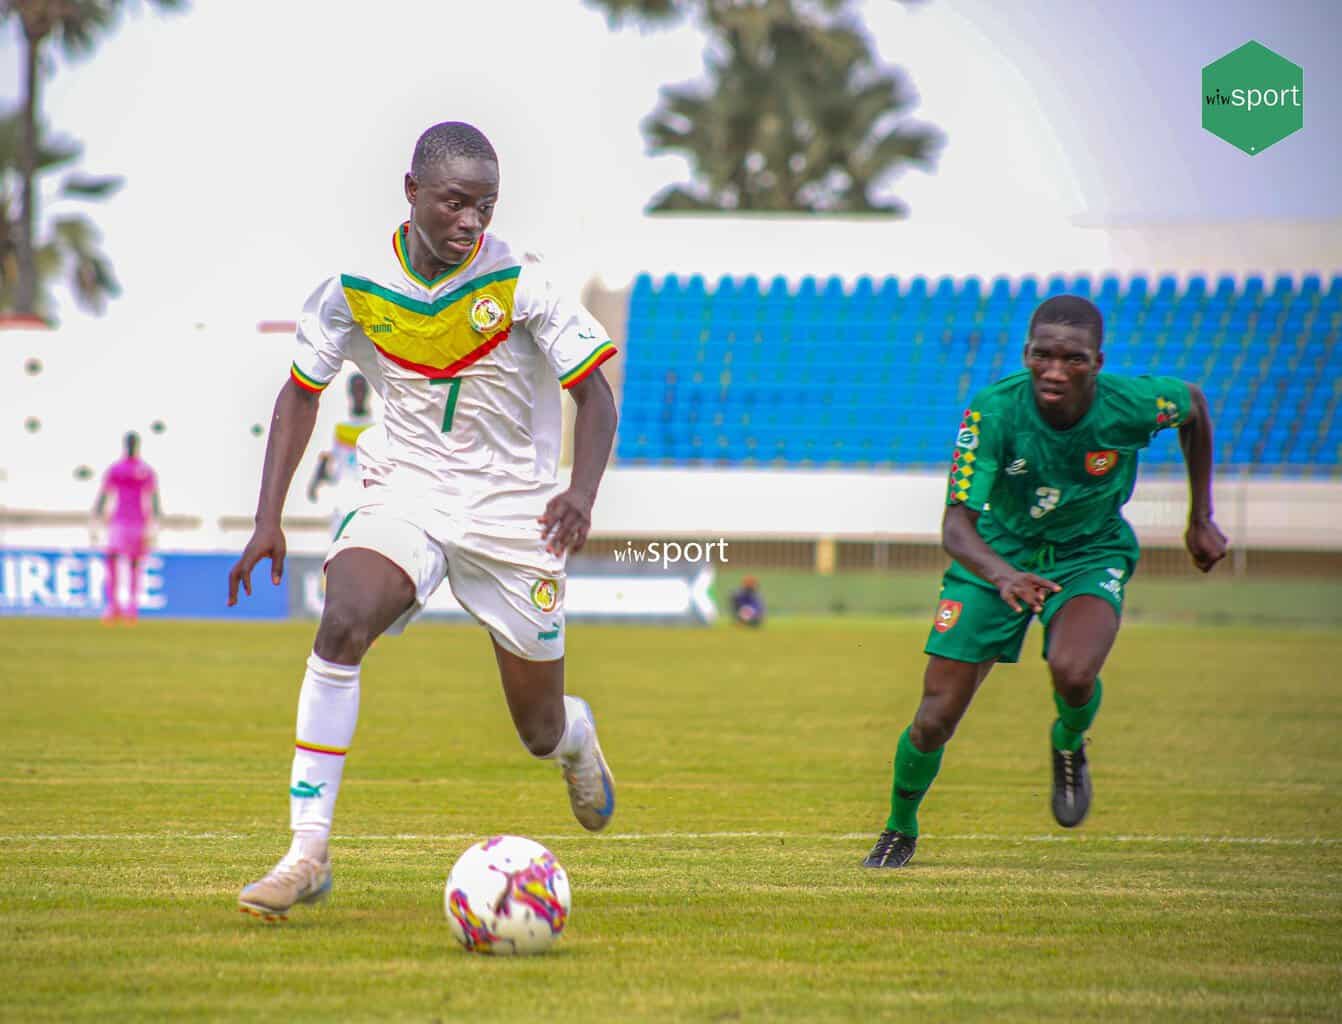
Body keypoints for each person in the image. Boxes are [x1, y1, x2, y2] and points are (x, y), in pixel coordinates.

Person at [227, 121, 620, 920]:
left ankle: (575, 739)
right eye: (454, 203)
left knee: (536, 727)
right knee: (342, 622)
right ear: (412, 193)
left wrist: (580, 494)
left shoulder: (523, 284)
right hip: (404, 488)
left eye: (485, 205)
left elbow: (596, 394)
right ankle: (307, 851)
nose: (471, 221)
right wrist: (268, 517)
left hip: (517, 514)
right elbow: (300, 393)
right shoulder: (355, 287)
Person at [863, 295, 1228, 869]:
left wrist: (1200, 517)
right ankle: (899, 828)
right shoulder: (994, 412)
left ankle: (1067, 742)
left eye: (1073, 359)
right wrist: (1003, 574)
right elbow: (956, 526)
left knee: (1074, 670)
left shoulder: (1132, 405)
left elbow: (1195, 408)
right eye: (1043, 356)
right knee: (935, 716)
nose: (1056, 370)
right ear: (1027, 355)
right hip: (996, 556)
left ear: (1098, 361)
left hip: (1089, 552)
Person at [92, 431, 161, 623]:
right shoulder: (142, 470)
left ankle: (125, 607)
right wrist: (155, 524)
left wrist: (96, 520)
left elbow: (104, 496)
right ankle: (120, 607)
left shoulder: (121, 469)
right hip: (130, 522)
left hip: (126, 522)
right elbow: (154, 500)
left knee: (127, 564)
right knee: (122, 563)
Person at [306, 373, 376, 536]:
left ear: (367, 393)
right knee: (339, 539)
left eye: (362, 389)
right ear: (350, 392)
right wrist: (315, 483)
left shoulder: (375, 426)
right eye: (355, 389)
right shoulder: (340, 425)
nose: (359, 394)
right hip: (343, 494)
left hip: (367, 495)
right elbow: (326, 458)